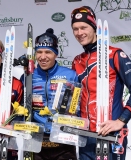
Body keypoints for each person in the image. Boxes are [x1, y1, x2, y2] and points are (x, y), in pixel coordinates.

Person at [70, 6, 131, 160]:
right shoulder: (77, 61)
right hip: (85, 135)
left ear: (94, 27)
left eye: (84, 27)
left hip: (111, 134)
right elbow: (76, 95)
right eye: (75, 29)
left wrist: (121, 121)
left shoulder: (114, 54)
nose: (79, 33)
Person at [31, 28, 79, 160]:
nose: (43, 56)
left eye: (48, 52)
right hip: (37, 140)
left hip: (63, 139)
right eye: (39, 52)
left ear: (56, 54)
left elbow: (77, 106)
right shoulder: (29, 76)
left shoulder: (70, 75)